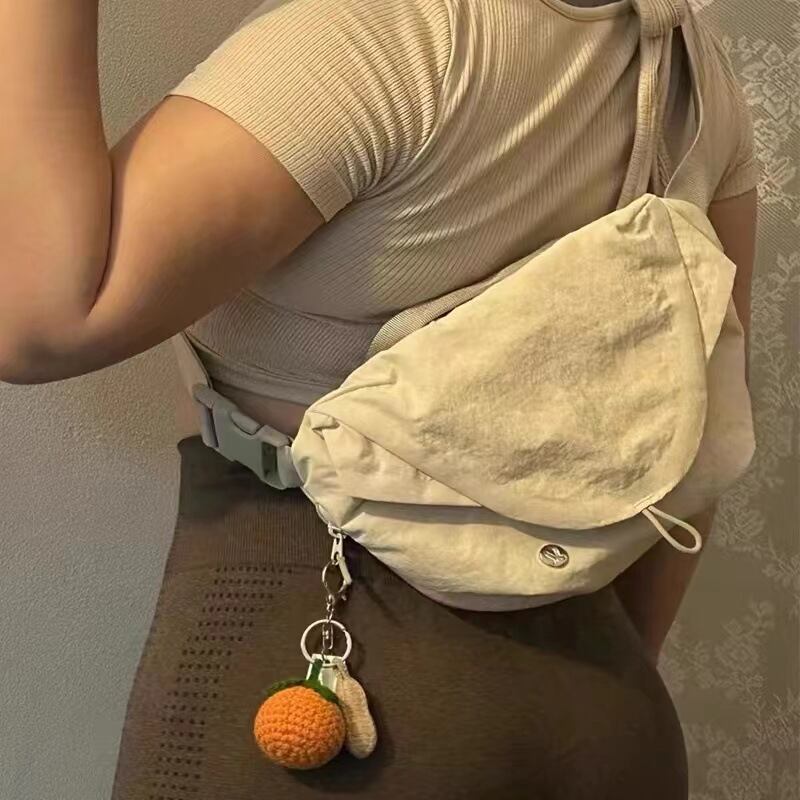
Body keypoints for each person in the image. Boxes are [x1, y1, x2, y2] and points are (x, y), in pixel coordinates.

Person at [0, 0, 759, 796]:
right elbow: (697, 431)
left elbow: (38, 323)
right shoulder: (695, 67)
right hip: (604, 708)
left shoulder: (386, 33)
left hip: (333, 690)